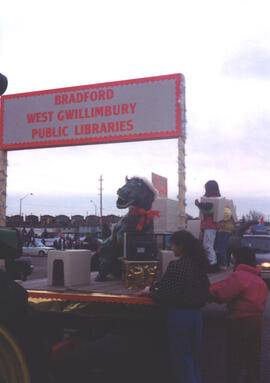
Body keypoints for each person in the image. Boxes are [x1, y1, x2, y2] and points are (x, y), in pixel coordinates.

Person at [139, 230, 210, 383]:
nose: (172, 249)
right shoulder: (200, 265)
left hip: (179, 317)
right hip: (196, 317)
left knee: (182, 359)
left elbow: (166, 293)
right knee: (192, 358)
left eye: (173, 245)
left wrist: (148, 292)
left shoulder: (176, 266)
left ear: (181, 246)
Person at [209, 247, 268, 383]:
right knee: (253, 358)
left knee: (234, 358)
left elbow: (223, 295)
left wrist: (210, 293)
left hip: (239, 322)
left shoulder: (238, 276)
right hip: (256, 322)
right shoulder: (259, 280)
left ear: (239, 259)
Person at [195, 180, 221, 273]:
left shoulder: (211, 199)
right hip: (211, 225)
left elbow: (208, 211)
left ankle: (212, 264)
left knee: (207, 245)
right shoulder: (217, 198)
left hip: (209, 225)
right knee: (209, 245)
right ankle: (213, 263)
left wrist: (199, 205)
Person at [215, 206, 235, 270]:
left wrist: (221, 220)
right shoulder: (229, 210)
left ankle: (223, 264)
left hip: (224, 231)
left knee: (221, 248)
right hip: (225, 230)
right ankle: (223, 264)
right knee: (222, 248)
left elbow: (226, 216)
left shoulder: (226, 209)